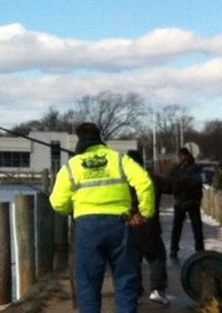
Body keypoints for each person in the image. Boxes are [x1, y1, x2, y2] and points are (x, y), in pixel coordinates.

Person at [50, 123, 155, 313]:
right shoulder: (119, 159)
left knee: (88, 285)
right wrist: (144, 212)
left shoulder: (71, 167)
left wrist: (70, 209)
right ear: (99, 138)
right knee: (125, 280)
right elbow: (144, 182)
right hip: (120, 224)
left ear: (79, 140)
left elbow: (57, 202)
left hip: (87, 228)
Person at [126, 150, 169, 305]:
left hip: (128, 226)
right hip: (148, 227)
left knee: (132, 260)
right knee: (157, 257)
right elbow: (171, 186)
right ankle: (157, 290)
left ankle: (134, 290)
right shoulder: (152, 179)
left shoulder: (123, 181)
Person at [167, 148, 204, 258]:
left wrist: (182, 183)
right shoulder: (176, 169)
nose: (179, 158)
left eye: (181, 156)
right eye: (179, 156)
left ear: (186, 156)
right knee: (177, 227)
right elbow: (171, 183)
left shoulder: (195, 168)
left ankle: (199, 248)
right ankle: (174, 248)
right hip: (180, 201)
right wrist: (179, 186)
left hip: (192, 201)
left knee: (196, 227)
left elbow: (197, 182)